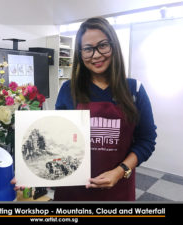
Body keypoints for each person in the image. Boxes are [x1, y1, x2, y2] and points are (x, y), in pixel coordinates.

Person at [53, 17, 157, 201]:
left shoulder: (135, 90)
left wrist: (120, 171)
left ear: (113, 46)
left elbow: (146, 140)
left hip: (117, 190)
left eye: (103, 45)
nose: (96, 55)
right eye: (88, 49)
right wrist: (31, 172)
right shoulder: (68, 90)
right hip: (72, 191)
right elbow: (56, 140)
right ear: (80, 53)